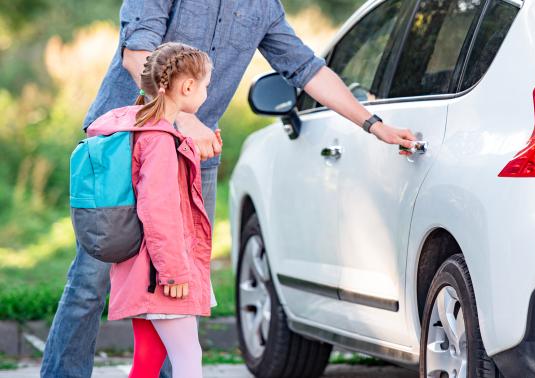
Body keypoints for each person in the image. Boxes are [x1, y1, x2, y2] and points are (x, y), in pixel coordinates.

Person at [41, 1, 416, 377]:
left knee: (180, 290)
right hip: (122, 147)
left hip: (191, 157)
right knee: (92, 279)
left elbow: (307, 69)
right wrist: (185, 118)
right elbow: (138, 54)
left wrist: (373, 124)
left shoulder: (263, 7)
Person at [85, 42, 216, 378]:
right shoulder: (159, 139)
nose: (206, 92)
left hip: (141, 268)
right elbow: (159, 211)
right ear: (187, 87)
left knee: (148, 359)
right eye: (206, 85)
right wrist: (174, 273)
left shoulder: (140, 129)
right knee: (188, 356)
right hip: (162, 273)